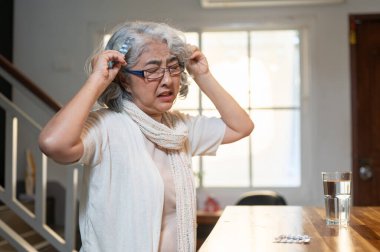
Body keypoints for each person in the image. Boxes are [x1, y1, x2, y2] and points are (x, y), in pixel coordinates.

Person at [39, 21, 254, 252]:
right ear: (124, 79)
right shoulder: (106, 127)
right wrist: (97, 80)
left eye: (173, 68)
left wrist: (203, 75)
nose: (167, 80)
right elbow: (53, 144)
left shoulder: (179, 128)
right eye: (151, 70)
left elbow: (241, 127)